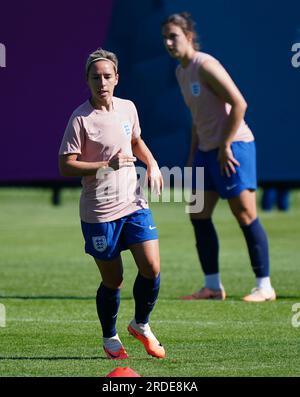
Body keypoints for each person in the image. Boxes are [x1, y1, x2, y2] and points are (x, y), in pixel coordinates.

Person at [58, 48, 165, 359]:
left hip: (133, 203)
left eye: (107, 76)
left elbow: (135, 141)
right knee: (113, 279)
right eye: (96, 77)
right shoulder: (80, 119)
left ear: (117, 79)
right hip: (99, 212)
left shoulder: (128, 108)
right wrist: (107, 165)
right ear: (87, 81)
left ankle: (141, 324)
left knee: (152, 267)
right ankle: (110, 337)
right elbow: (66, 166)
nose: (101, 82)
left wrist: (153, 163)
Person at [162, 12, 276, 302]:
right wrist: (192, 157)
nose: (168, 42)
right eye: (165, 37)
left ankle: (264, 286)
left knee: (245, 214)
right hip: (205, 150)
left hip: (234, 146)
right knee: (198, 214)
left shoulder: (205, 65)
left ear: (188, 37)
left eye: (173, 36)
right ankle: (212, 287)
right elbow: (197, 117)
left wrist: (225, 145)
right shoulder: (180, 72)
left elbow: (240, 104)